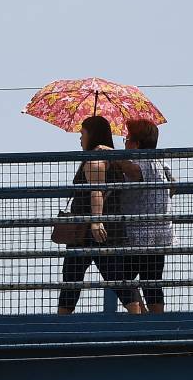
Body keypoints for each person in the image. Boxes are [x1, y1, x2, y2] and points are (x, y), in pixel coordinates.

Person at [57, 116, 141, 314]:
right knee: (117, 279)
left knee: (72, 278)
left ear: (91, 134)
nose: (80, 139)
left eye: (82, 133)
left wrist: (96, 221)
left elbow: (96, 191)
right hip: (110, 228)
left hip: (88, 231)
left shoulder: (95, 157)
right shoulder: (113, 159)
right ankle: (138, 320)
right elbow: (136, 174)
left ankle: (60, 325)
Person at [120, 118, 175, 313]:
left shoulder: (141, 160)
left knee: (120, 276)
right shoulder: (160, 162)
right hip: (160, 234)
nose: (124, 144)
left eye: (126, 140)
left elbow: (134, 173)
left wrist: (112, 156)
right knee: (151, 280)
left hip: (139, 235)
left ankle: (140, 317)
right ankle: (156, 322)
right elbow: (173, 186)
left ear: (136, 143)